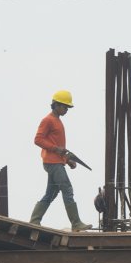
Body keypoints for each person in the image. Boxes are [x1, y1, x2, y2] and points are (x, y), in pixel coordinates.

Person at [30, 90, 92, 231]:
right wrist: (55, 149)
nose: (66, 110)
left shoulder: (57, 121)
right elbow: (38, 140)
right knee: (67, 189)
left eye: (67, 108)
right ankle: (76, 223)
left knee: (51, 193)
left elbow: (59, 147)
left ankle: (34, 221)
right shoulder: (48, 120)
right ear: (56, 105)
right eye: (64, 107)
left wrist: (67, 160)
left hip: (57, 162)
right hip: (52, 163)